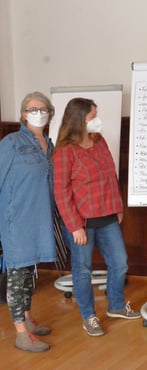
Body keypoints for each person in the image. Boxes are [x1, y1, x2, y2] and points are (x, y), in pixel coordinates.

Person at [52, 98, 141, 337]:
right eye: (93, 116)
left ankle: (116, 306)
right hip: (81, 221)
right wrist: (74, 226)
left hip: (107, 214)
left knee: (120, 262)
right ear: (79, 119)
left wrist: (118, 207)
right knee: (82, 270)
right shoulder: (64, 152)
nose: (97, 120)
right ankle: (89, 316)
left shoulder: (99, 142)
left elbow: (111, 175)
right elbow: (61, 193)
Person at [0, 92, 57, 352]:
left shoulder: (49, 143)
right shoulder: (11, 142)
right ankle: (21, 334)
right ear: (23, 114)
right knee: (17, 273)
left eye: (43, 108)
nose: (38, 111)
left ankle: (27, 320)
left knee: (29, 273)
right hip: (16, 219)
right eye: (33, 108)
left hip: (40, 218)